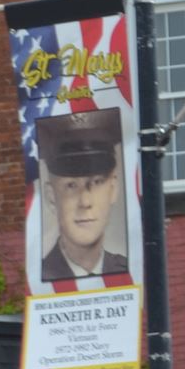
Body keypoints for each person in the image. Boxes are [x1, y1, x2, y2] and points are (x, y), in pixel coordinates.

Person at [34, 110, 130, 282]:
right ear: (51, 197)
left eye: (97, 182)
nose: (85, 202)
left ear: (113, 189)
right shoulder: (40, 277)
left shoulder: (129, 269)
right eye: (71, 185)